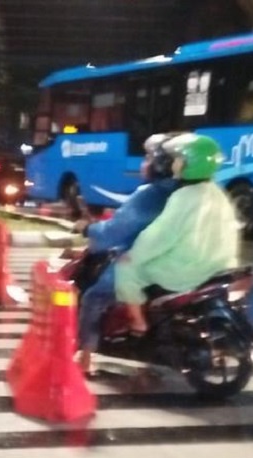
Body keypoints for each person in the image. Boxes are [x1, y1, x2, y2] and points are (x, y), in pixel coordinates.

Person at [73, 133, 180, 374]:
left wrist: (90, 230)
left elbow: (116, 230)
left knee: (93, 297)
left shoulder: (151, 194)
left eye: (148, 158)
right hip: (182, 260)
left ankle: (85, 357)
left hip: (147, 261)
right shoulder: (187, 192)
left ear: (161, 163)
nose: (144, 163)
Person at [115, 133, 240, 333]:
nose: (174, 163)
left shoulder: (184, 196)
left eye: (178, 159)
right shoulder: (217, 192)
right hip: (220, 265)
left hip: (188, 270)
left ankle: (138, 323)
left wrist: (133, 255)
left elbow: (159, 236)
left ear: (189, 163)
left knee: (125, 269)